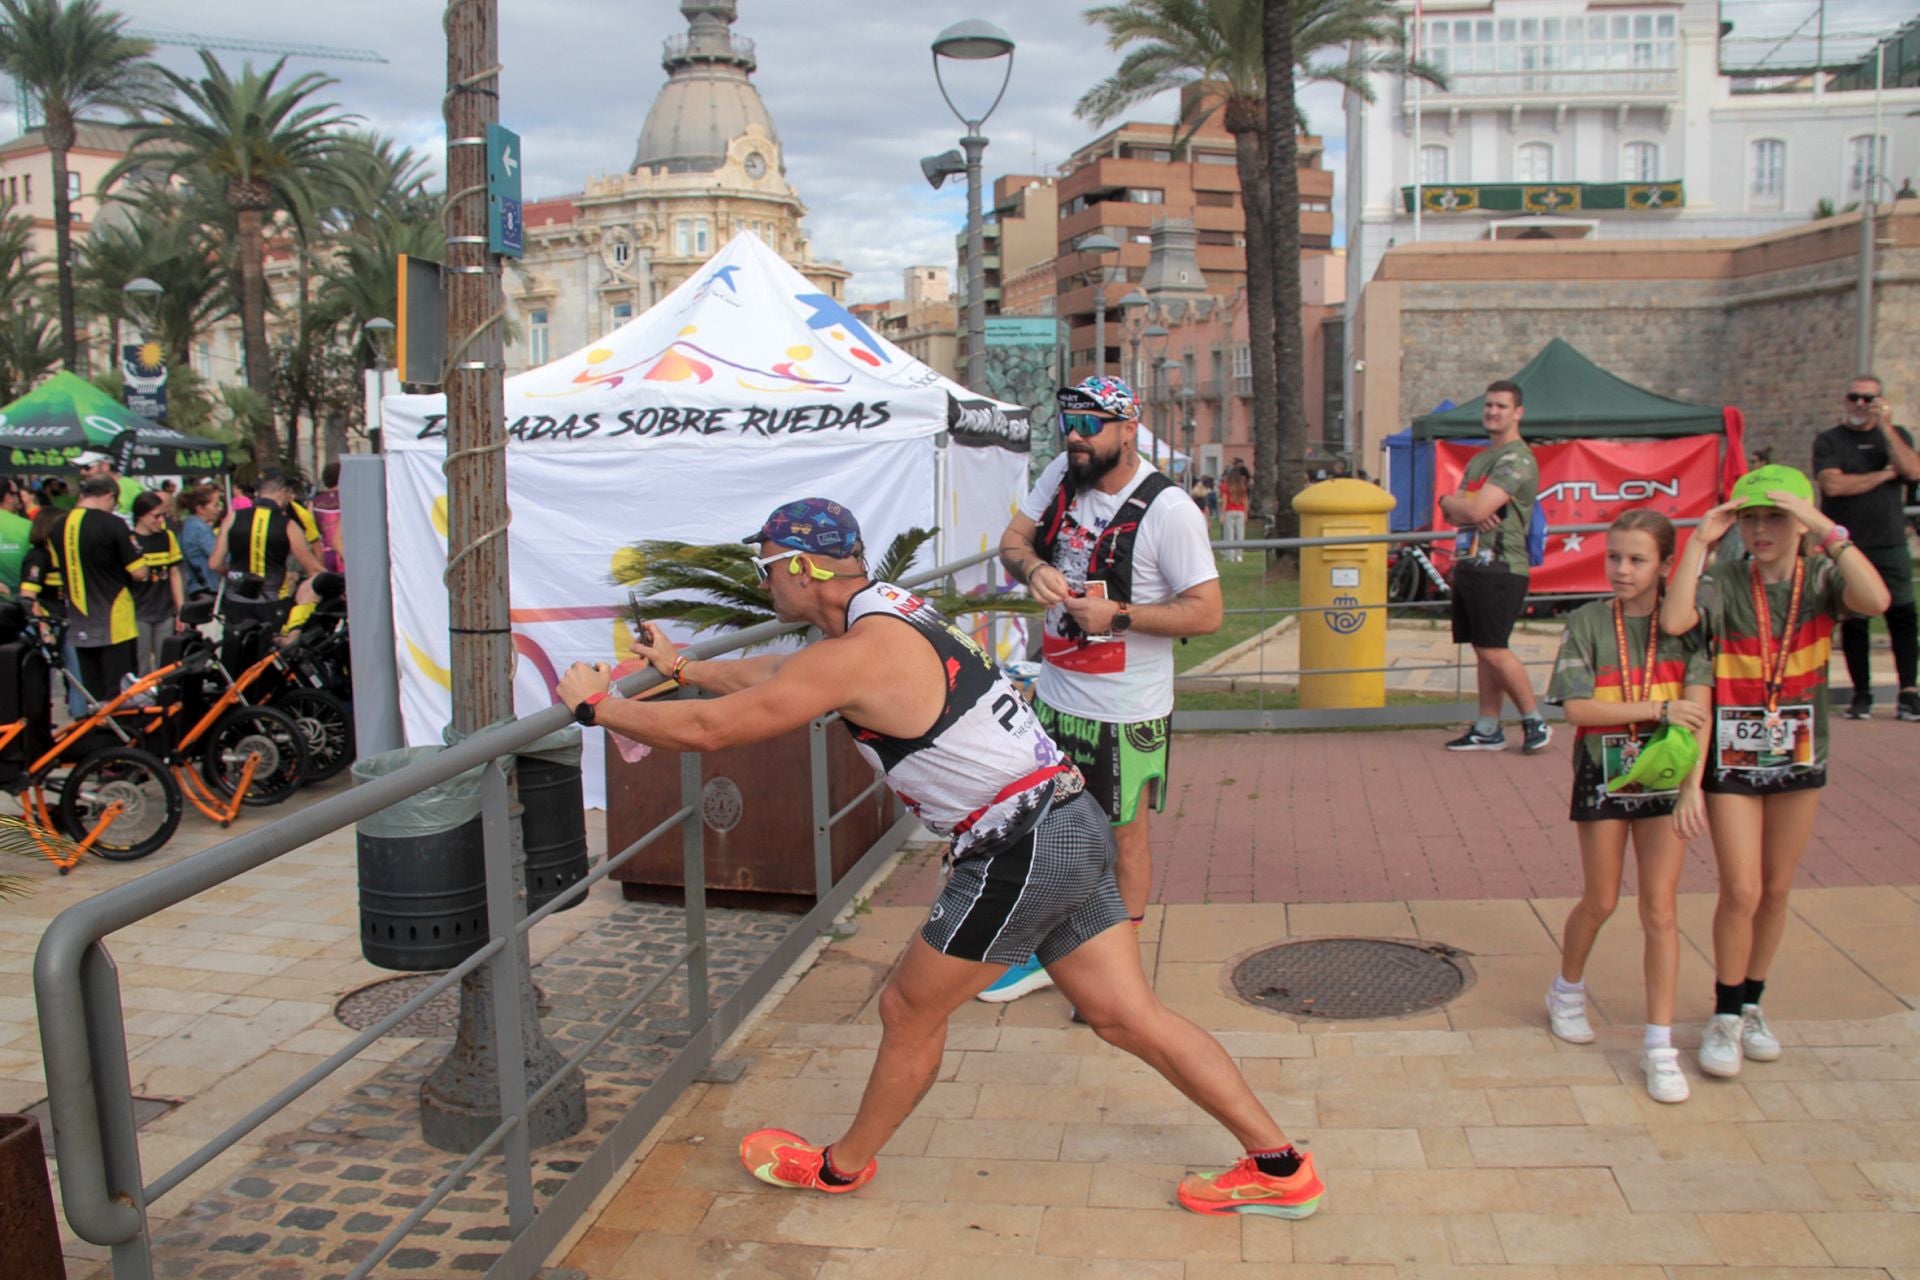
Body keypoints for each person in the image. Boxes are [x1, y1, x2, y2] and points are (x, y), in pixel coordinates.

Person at [554, 498, 1323, 1218]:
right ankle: (1281, 1167)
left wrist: (599, 706)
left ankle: (841, 1167)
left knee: (907, 1008)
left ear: (798, 568)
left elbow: (715, 732)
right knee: (1129, 1018)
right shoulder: (885, 612)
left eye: (765, 568)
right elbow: (778, 678)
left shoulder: (854, 650)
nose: (764, 583)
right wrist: (685, 671)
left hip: (1021, 847)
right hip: (1069, 819)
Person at [985, 375, 1221, 1006]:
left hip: (1127, 709)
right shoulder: (1064, 475)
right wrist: (1033, 567)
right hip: (1057, 695)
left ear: (1127, 427)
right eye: (1068, 423)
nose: (1075, 437)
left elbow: (1206, 614)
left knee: (1124, 833)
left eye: (1090, 425)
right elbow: (1013, 541)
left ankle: (1120, 981)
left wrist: (1118, 616)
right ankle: (1046, 955)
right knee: (1044, 827)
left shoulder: (1169, 511)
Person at [1661, 464, 1889, 1079]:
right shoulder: (1727, 580)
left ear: (1799, 523)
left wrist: (1825, 527)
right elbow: (1676, 620)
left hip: (1799, 751)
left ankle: (1754, 1002)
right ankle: (1726, 1013)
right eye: (1752, 517)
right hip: (1732, 754)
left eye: (1774, 517)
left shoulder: (1820, 577)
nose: (1760, 529)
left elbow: (1876, 600)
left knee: (1779, 889)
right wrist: (1701, 542)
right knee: (1742, 889)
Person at [1543, 510, 1713, 1104]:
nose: (1621, 569)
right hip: (1604, 774)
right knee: (1603, 898)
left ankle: (1659, 1044)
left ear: (1667, 565)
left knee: (1661, 911)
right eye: (1614, 556)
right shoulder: (1589, 621)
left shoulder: (1690, 626)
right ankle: (1567, 988)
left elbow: (1701, 709)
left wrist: (1694, 786)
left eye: (1637, 559)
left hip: (1665, 780)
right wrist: (1657, 711)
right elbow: (1578, 710)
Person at [1439, 379, 1550, 754]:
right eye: (1488, 405)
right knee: (1483, 648)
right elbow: (1459, 511)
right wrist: (1455, 505)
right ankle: (1488, 727)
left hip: (1501, 566)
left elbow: (1470, 509)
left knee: (1494, 648)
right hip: (1471, 562)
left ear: (1518, 413)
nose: (1492, 412)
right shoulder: (1480, 459)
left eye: (1501, 406)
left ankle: (1534, 719)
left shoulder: (1516, 459)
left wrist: (1460, 506)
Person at [1811, 372, 1920, 720]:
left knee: (1902, 615)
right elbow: (1833, 486)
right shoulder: (1829, 440)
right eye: (1854, 397)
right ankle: (1861, 694)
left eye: (1868, 399)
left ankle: (1909, 691)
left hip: (1889, 539)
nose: (1860, 404)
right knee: (1854, 618)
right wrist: (1885, 475)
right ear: (1846, 400)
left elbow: (1913, 470)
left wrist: (1886, 427)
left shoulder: (1896, 436)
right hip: (1847, 543)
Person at [49, 475, 148, 702]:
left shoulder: (58, 526)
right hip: (115, 620)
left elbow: (57, 567)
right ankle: (122, 734)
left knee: (94, 695)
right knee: (122, 694)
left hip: (78, 620)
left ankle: (97, 734)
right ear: (109, 496)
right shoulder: (113, 524)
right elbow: (139, 572)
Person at [209, 468, 326, 608]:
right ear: (283, 492)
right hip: (272, 603)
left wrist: (235, 574)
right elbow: (313, 568)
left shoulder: (233, 517)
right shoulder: (288, 525)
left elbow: (214, 563)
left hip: (236, 602)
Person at [19, 505, 84, 717]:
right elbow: (28, 597)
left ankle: (79, 718)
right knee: (40, 680)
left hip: (67, 622)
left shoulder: (63, 555)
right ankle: (39, 723)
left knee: (77, 676)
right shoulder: (37, 557)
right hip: (47, 625)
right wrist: (43, 629)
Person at [129, 492, 185, 673]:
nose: (161, 520)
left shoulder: (167, 537)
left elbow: (174, 573)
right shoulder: (130, 541)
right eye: (156, 516)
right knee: (141, 662)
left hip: (164, 609)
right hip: (138, 610)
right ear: (141, 516)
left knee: (166, 663)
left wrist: (180, 609)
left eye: (163, 515)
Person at [177, 483, 223, 598]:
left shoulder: (188, 525)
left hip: (196, 586)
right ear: (200, 509)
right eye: (215, 505)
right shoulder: (200, 529)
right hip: (209, 586)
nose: (219, 509)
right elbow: (218, 556)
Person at [71, 448, 143, 516]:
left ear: (105, 466)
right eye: (81, 468)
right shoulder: (86, 489)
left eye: (87, 467)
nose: (82, 472)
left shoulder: (130, 486)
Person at [309, 459, 346, 573]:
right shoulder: (348, 500)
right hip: (344, 553)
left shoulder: (313, 503)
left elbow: (311, 530)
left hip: (325, 554)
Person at [0, 476, 32, 595]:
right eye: (16, 494)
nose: (18, 499)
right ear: (7, 497)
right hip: (19, 602)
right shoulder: (28, 526)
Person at [1219, 457, 1251, 562]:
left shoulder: (1226, 486)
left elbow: (1224, 501)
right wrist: (1246, 513)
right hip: (1240, 511)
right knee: (1240, 534)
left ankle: (1230, 555)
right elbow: (1245, 500)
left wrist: (1222, 514)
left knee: (1229, 534)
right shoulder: (1242, 486)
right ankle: (1239, 555)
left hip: (1229, 510)